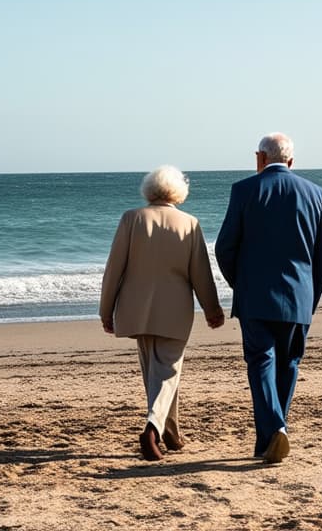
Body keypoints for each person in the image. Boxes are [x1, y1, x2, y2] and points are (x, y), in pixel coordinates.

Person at [215, 132, 322, 464]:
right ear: (291, 162)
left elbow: (224, 247)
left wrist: (241, 283)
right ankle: (270, 437)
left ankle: (274, 430)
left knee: (261, 363)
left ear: (259, 159)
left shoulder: (244, 191)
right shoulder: (316, 194)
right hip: (299, 296)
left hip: (255, 297)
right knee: (289, 364)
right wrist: (310, 295)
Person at [100, 165, 225, 461]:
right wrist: (212, 308)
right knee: (168, 373)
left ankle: (172, 434)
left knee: (156, 375)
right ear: (178, 192)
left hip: (135, 308)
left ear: (149, 190)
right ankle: (152, 429)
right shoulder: (189, 223)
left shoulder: (131, 219)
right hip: (175, 310)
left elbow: (113, 269)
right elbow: (200, 274)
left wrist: (106, 311)